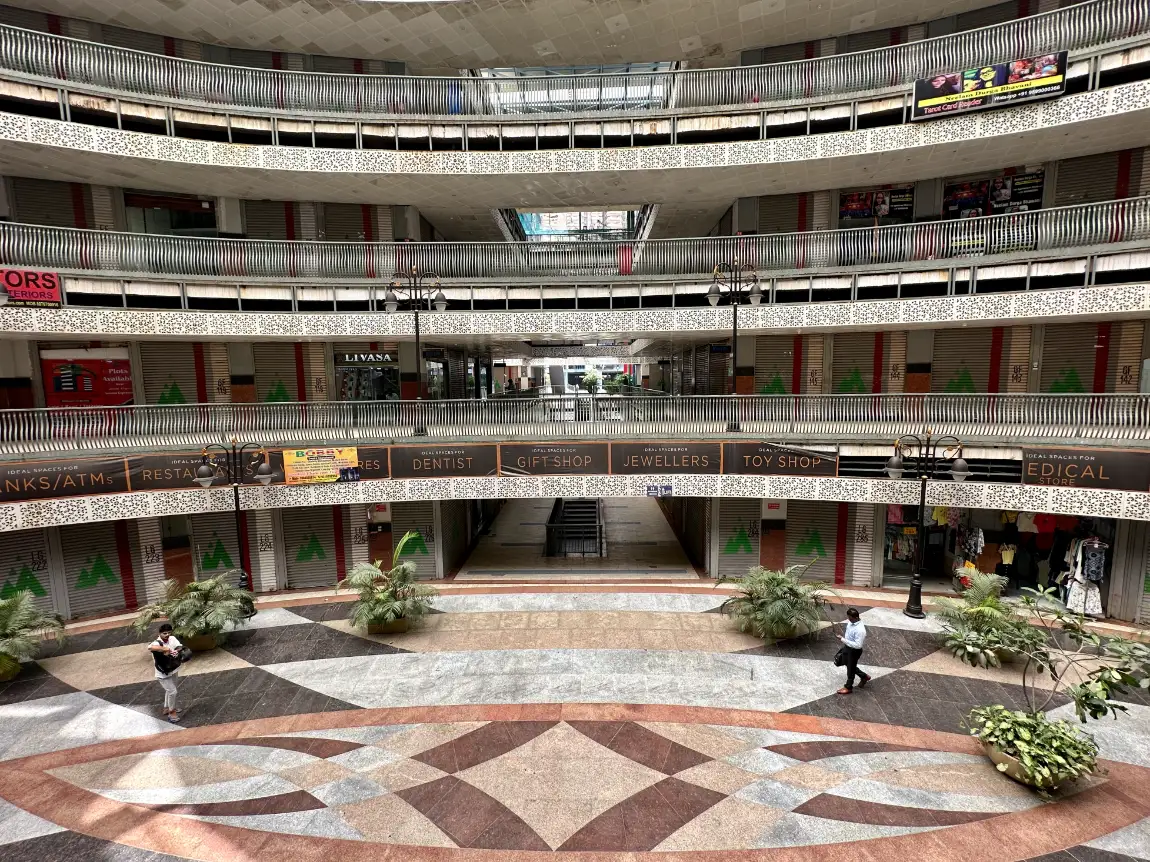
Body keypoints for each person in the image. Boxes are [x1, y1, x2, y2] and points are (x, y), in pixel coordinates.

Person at [148, 623, 183, 723]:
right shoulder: (156, 642)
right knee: (172, 692)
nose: (167, 635)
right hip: (162, 673)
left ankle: (167, 707)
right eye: (164, 633)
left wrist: (176, 651)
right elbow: (150, 647)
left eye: (169, 633)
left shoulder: (172, 638)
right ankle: (172, 712)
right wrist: (165, 649)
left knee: (171, 689)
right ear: (159, 634)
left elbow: (179, 646)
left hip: (173, 668)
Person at [836, 608, 871, 694]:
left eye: (850, 618)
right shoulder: (851, 622)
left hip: (854, 651)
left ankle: (848, 687)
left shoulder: (860, 630)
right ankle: (864, 676)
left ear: (856, 617)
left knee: (850, 669)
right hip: (847, 647)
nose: (849, 620)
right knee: (846, 663)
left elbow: (858, 645)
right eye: (848, 618)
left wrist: (843, 639)